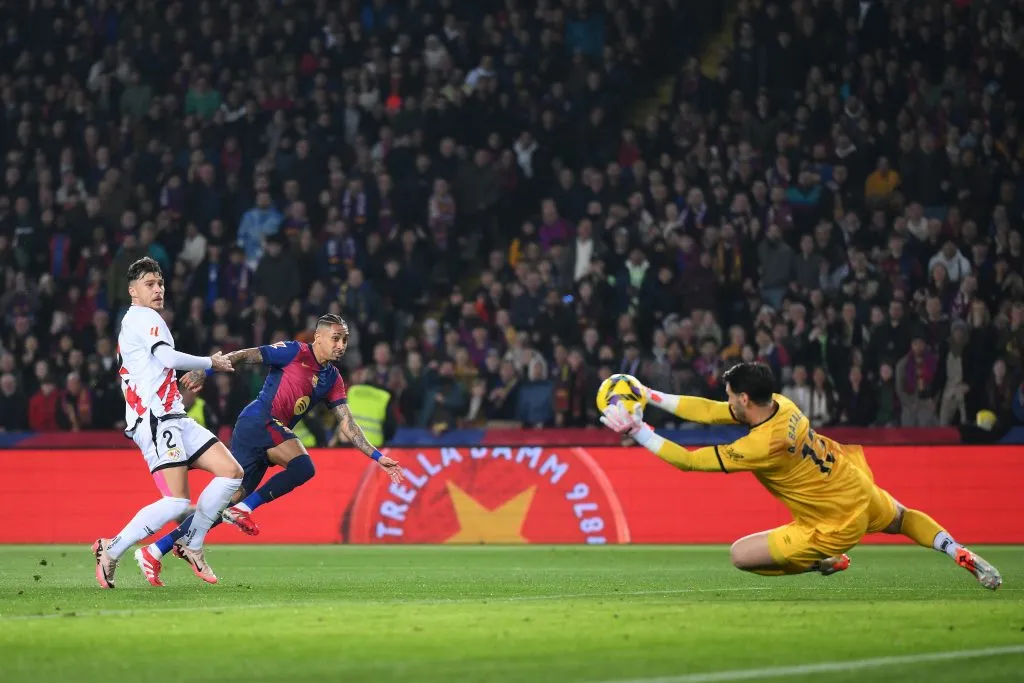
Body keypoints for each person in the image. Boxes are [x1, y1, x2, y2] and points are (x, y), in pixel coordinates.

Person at [599, 362, 1001, 590]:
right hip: (853, 483)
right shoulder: (782, 405)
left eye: (729, 396)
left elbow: (689, 461)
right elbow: (708, 411)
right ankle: (958, 551)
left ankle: (826, 560)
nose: (725, 402)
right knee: (901, 517)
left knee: (741, 555)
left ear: (742, 399)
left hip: (833, 521)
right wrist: (649, 395)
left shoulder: (761, 446)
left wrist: (639, 432)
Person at [134, 314, 403, 586]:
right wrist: (206, 370)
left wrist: (378, 457)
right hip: (259, 421)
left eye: (345, 339)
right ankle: (244, 510)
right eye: (336, 338)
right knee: (303, 466)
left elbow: (347, 422)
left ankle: (156, 550)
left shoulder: (332, 379)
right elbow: (244, 356)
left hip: (266, 433)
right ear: (318, 338)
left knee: (223, 505)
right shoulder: (293, 351)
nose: (341, 345)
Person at [93, 257, 240, 589]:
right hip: (156, 419)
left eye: (160, 283)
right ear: (133, 291)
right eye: (149, 284)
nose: (158, 289)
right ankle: (111, 549)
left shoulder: (143, 320)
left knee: (231, 473)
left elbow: (160, 367)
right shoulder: (143, 318)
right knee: (176, 501)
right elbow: (168, 358)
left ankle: (192, 544)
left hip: (174, 415)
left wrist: (187, 377)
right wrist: (211, 363)